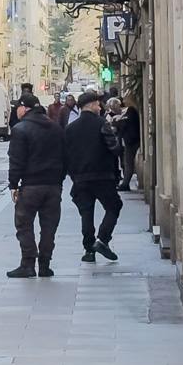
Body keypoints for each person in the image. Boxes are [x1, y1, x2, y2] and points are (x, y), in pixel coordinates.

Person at [6, 96, 68, 278]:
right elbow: (66, 157)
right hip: (53, 185)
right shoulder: (56, 128)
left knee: (24, 224)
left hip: (31, 185)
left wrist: (13, 184)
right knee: (49, 226)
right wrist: (59, 180)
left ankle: (28, 264)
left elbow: (16, 160)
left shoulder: (20, 129)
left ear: (24, 108)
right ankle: (45, 265)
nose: (16, 111)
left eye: (17, 107)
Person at [65, 91, 123, 262]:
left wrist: (73, 173)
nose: (99, 107)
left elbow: (66, 154)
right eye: (98, 104)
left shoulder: (70, 128)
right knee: (114, 206)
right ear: (90, 105)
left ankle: (89, 250)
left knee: (86, 213)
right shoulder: (101, 123)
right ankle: (102, 239)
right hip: (103, 175)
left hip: (80, 178)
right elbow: (114, 148)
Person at [116, 98, 142, 190]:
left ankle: (125, 184)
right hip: (130, 141)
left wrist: (118, 122)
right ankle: (125, 183)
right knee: (128, 163)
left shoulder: (130, 111)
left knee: (128, 163)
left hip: (131, 141)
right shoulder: (129, 111)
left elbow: (125, 124)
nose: (124, 101)